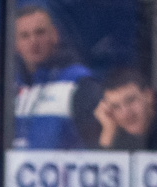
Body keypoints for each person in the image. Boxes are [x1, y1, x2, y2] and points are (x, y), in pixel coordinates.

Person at [12, 4, 100, 149]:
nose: (33, 41)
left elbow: (96, 147)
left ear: (54, 35)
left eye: (40, 32)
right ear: (15, 44)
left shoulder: (78, 82)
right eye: (24, 36)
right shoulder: (10, 87)